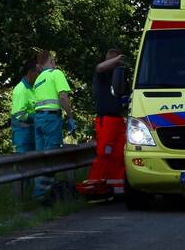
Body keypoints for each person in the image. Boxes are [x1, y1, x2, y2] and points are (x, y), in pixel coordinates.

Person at [80, 49, 129, 198]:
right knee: (104, 155)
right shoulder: (102, 75)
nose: (117, 63)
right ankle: (93, 189)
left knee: (120, 155)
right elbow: (100, 67)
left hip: (119, 121)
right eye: (114, 60)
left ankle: (116, 190)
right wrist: (118, 60)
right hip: (106, 120)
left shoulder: (120, 77)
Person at [32, 49, 75, 203]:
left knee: (41, 158)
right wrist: (70, 117)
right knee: (52, 158)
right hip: (51, 120)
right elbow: (63, 97)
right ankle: (43, 195)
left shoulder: (38, 80)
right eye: (54, 60)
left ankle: (39, 193)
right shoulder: (56, 74)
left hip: (38, 120)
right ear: (51, 61)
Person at [10, 59, 40, 154]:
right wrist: (35, 117)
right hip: (23, 136)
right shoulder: (21, 89)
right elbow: (20, 114)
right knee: (26, 165)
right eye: (37, 72)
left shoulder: (32, 88)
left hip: (30, 134)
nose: (39, 75)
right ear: (30, 72)